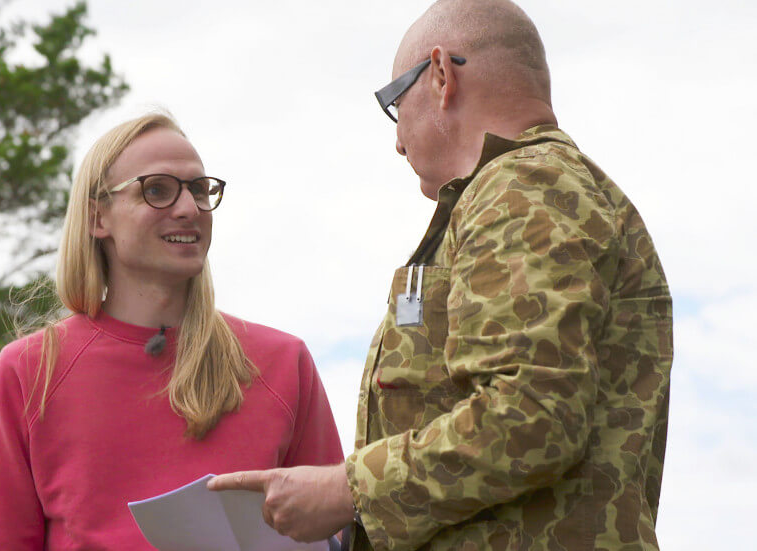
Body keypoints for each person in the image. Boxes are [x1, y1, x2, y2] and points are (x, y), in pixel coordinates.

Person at [208, 1, 673, 549]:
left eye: (393, 105)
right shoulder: (522, 190)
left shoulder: (522, 187)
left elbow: (532, 415)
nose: (398, 141)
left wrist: (347, 491)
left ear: (440, 76)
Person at [0, 112, 344, 549]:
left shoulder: (283, 363)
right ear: (96, 218)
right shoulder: (30, 372)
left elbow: (337, 525)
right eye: (157, 190)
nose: (188, 209)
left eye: (199, 190)